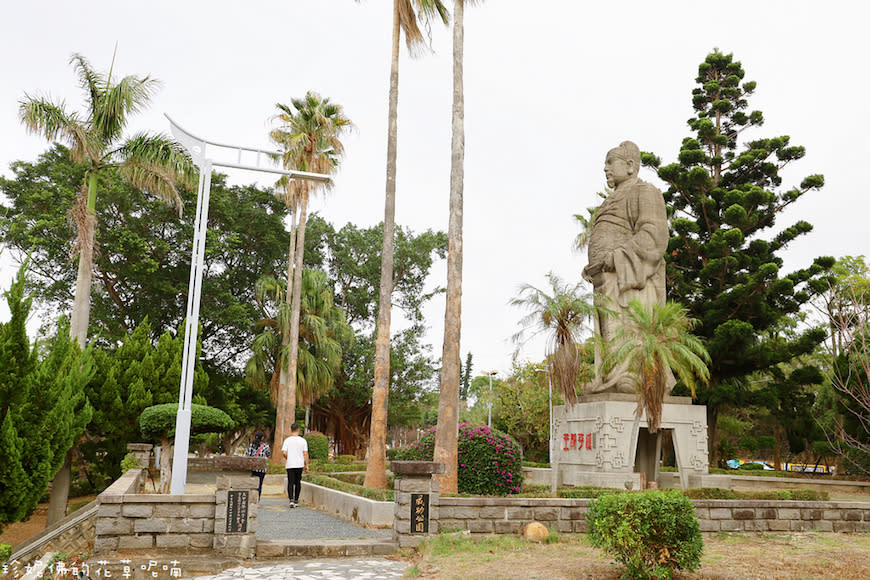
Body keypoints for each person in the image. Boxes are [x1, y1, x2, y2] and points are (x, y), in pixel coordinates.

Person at [582, 140, 674, 394]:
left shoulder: (645, 192)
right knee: (608, 329)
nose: (605, 169)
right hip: (604, 277)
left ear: (631, 166)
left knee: (628, 323)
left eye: (611, 162)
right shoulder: (611, 200)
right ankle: (612, 375)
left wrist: (619, 256)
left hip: (631, 276)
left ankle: (633, 374)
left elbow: (654, 235)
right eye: (605, 164)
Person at [281, 423, 309, 508]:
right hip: (299, 464)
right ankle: (296, 500)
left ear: (291, 430)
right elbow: (305, 453)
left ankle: (291, 500)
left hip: (290, 464)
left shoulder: (287, 440)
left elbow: (284, 452)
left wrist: (288, 458)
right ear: (298, 430)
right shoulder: (303, 440)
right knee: (298, 482)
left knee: (290, 482)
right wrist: (307, 465)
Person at [245, 431, 271, 503]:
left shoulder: (251, 446)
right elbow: (268, 456)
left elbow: (247, 456)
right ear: (262, 438)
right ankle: (257, 501)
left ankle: (250, 500)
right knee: (259, 485)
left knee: (252, 484)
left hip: (252, 469)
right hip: (261, 470)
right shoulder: (266, 446)